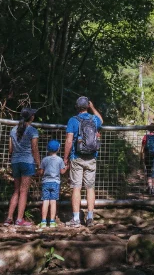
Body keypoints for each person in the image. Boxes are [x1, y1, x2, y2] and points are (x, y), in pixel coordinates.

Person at [63, 96, 103, 227]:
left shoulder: (73, 120)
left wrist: (65, 157)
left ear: (77, 107)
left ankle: (76, 219)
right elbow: (101, 120)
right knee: (90, 188)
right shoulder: (94, 119)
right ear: (87, 106)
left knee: (76, 187)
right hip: (91, 157)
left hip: (77, 157)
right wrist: (93, 107)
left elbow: (69, 140)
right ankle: (90, 217)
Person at [4, 107, 40, 227]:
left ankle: (9, 218)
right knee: (24, 191)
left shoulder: (13, 130)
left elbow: (10, 149)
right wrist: (39, 164)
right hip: (27, 162)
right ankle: (19, 219)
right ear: (32, 117)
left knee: (16, 191)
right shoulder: (33, 131)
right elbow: (34, 149)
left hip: (15, 162)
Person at [38, 139, 66, 229]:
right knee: (53, 201)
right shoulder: (60, 160)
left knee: (45, 201)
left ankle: (43, 221)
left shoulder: (44, 159)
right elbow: (62, 172)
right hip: (55, 182)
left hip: (46, 182)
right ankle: (52, 221)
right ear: (58, 149)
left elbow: (41, 172)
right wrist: (67, 167)